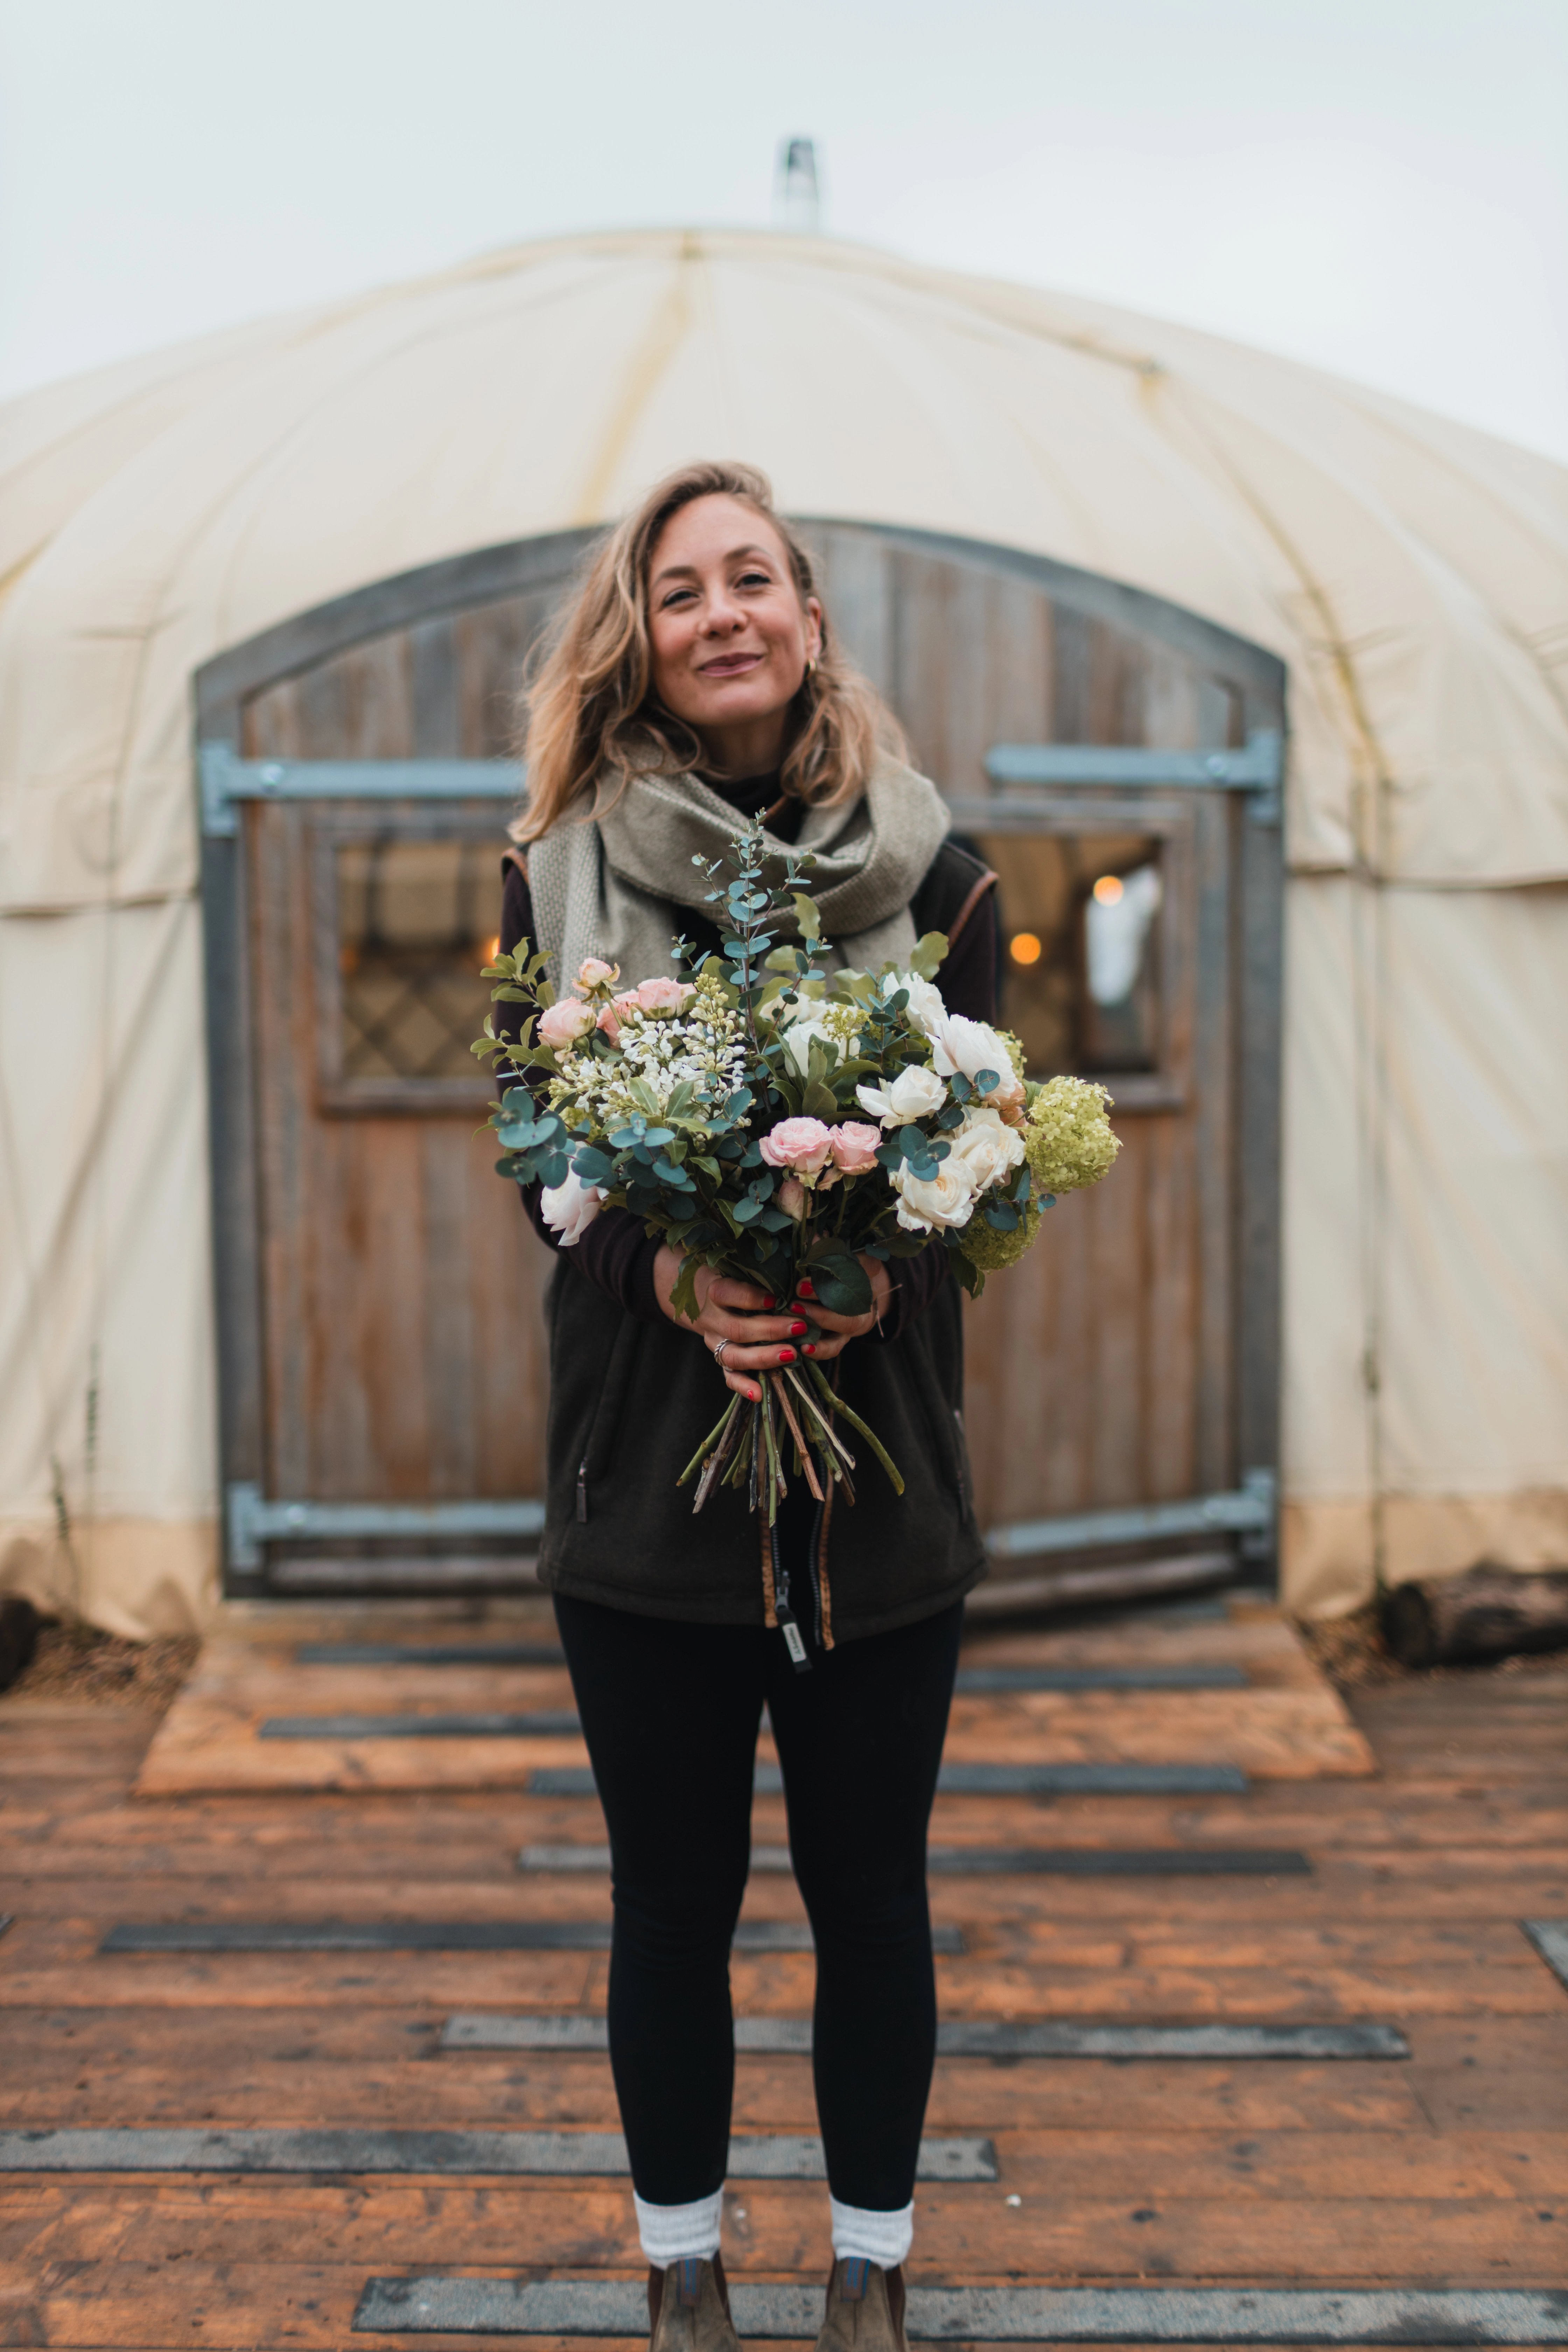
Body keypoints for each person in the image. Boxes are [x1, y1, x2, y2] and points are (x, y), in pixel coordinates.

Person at [498, 462, 1000, 2352]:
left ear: (806, 617)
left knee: (874, 1890)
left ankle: (870, 2270)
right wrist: (670, 1273)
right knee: (671, 1898)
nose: (722, 613)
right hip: (650, 1479)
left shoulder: (942, 878)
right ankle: (682, 2263)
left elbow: (992, 1141)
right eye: (681, 586)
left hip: (878, 1477)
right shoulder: (550, 870)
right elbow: (531, 1150)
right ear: (641, 633)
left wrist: (881, 1264)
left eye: (753, 580)